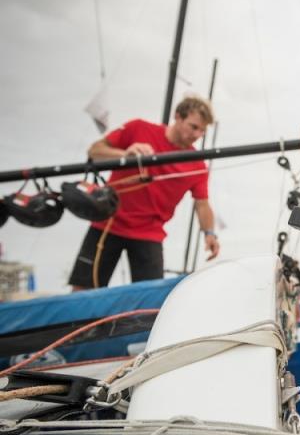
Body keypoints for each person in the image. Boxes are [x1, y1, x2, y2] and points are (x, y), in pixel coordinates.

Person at [68, 96, 220, 290]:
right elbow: (95, 151)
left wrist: (209, 233)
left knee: (149, 301)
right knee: (82, 292)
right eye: (193, 127)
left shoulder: (197, 164)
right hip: (107, 223)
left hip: (149, 234)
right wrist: (126, 155)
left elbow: (202, 203)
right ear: (177, 117)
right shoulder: (138, 128)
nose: (197, 134)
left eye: (202, 130)